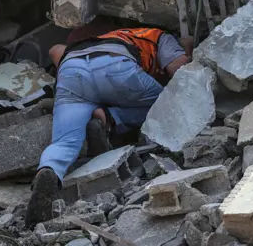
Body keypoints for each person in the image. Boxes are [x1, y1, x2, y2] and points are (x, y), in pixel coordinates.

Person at [25, 27, 193, 226]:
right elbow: (180, 70)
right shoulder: (159, 36)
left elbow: (55, 50)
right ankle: (110, 118)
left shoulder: (105, 36)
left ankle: (49, 170)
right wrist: (189, 54)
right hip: (117, 68)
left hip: (71, 71)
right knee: (168, 102)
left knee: (64, 142)